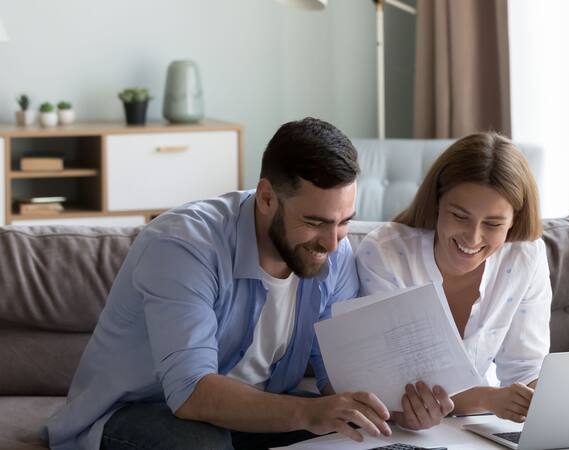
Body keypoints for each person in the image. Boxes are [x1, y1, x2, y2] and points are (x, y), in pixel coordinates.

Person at [46, 118, 398, 450]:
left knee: (356, 432)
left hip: (255, 412)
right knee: (203, 446)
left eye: (343, 222)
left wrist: (391, 406)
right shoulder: (183, 246)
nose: (332, 243)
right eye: (315, 222)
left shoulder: (333, 252)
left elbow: (339, 375)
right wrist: (309, 413)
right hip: (140, 411)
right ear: (266, 198)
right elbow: (190, 393)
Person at [356, 131, 552, 430]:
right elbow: (396, 385)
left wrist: (551, 397)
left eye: (493, 224)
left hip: (473, 429)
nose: (473, 238)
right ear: (437, 203)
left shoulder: (525, 256)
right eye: (460, 216)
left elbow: (525, 369)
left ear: (514, 221)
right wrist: (490, 399)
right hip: (398, 431)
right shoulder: (385, 254)